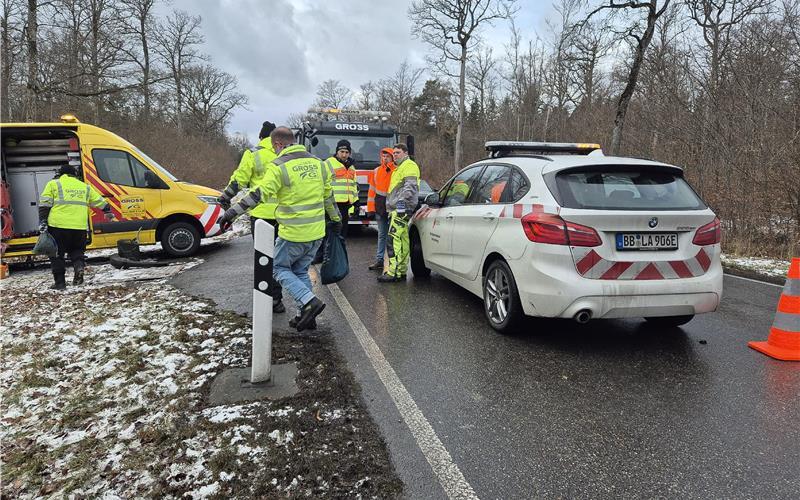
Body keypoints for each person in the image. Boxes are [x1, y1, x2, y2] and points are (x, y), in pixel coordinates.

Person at [217, 127, 341, 331]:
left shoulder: (279, 166)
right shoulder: (320, 164)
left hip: (293, 233)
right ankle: (306, 315)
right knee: (300, 270)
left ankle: (309, 301)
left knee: (277, 268)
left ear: (278, 145)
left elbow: (257, 195)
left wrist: (231, 213)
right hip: (316, 233)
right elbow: (328, 197)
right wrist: (336, 220)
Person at [217, 120, 285, 313]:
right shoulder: (286, 154)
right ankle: (278, 298)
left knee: (264, 258)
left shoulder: (253, 154)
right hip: (285, 216)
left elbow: (239, 180)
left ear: (261, 137)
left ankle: (267, 299)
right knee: (281, 259)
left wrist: (225, 197)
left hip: (261, 215)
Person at [38, 164, 114, 289]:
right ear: (74, 175)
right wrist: (107, 211)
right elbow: (99, 201)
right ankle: (79, 268)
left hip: (58, 226)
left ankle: (60, 283)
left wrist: (43, 221)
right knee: (77, 250)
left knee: (56, 254)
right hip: (79, 227)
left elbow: (44, 204)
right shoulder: (84, 187)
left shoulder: (54, 184)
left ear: (61, 174)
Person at [378, 143, 420, 283]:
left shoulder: (409, 166)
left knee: (392, 238)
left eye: (397, 153)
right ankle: (401, 270)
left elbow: (410, 189)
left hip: (401, 208)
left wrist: (398, 206)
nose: (394, 155)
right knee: (402, 240)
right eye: (394, 153)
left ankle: (392, 272)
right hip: (400, 208)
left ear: (405, 153)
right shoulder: (401, 167)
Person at [366, 147, 396, 271]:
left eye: (387, 156)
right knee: (382, 234)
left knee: (393, 236)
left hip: (392, 207)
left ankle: (393, 261)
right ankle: (379, 260)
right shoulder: (376, 171)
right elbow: (372, 191)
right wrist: (370, 208)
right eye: (383, 156)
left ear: (392, 157)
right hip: (380, 207)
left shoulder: (397, 170)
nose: (385, 158)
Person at [323, 139, 359, 237]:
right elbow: (323, 184)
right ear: (337, 152)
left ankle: (340, 252)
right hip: (332, 205)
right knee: (332, 234)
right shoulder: (328, 163)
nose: (344, 155)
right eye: (341, 152)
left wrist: (356, 203)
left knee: (342, 234)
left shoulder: (351, 166)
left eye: (347, 152)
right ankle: (330, 252)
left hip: (346, 206)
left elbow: (353, 186)